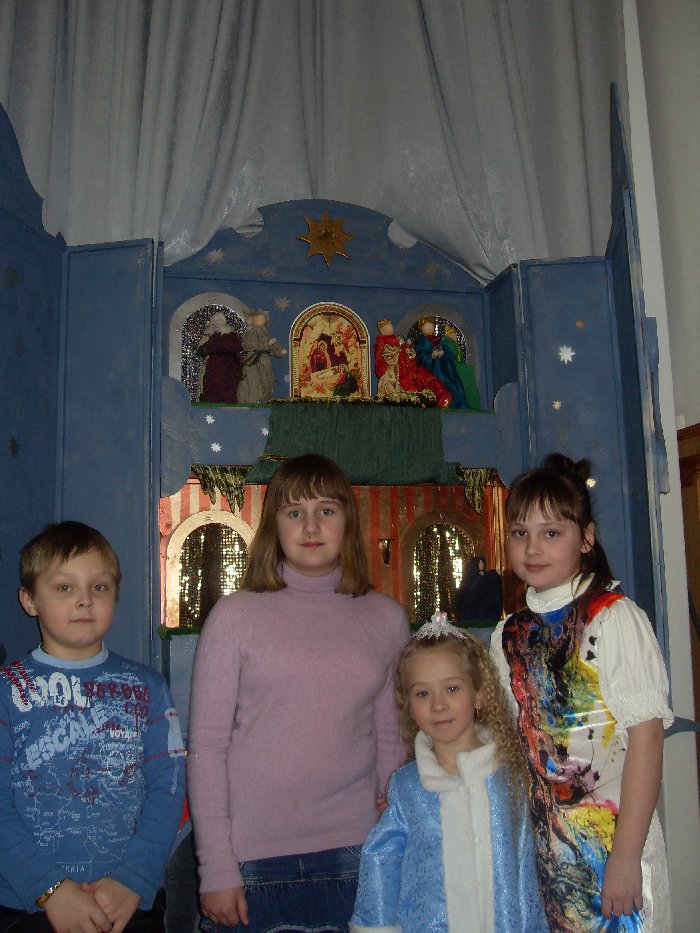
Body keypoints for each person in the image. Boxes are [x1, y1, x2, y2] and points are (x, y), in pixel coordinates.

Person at [187, 454, 409, 933]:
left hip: (357, 855)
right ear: (275, 526)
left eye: (326, 510)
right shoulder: (234, 616)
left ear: (348, 521)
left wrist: (392, 823)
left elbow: (391, 739)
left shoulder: (386, 619)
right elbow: (207, 749)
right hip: (250, 864)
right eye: (294, 512)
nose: (311, 526)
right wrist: (216, 868)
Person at [490, 453, 673, 931]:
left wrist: (626, 857)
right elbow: (507, 743)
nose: (533, 547)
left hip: (613, 847)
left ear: (586, 538)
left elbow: (647, 740)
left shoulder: (614, 618)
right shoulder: (508, 634)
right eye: (520, 532)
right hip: (544, 856)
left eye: (552, 533)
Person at [0, 521, 186, 933]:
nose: (84, 600)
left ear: (115, 594)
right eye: (64, 588)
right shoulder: (6, 690)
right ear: (29, 600)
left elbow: (169, 790)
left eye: (99, 587)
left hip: (127, 905)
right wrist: (48, 889)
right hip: (28, 907)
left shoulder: (149, 687)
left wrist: (133, 879)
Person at [350, 612, 547, 933]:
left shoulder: (509, 777)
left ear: (479, 693)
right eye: (422, 694)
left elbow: (524, 867)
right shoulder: (407, 787)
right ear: (409, 705)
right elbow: (381, 860)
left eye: (452, 689)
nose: (438, 705)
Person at [412, 316, 467, 409]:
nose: (429, 327)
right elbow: (419, 355)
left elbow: (449, 352)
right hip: (427, 370)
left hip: (443, 367)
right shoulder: (420, 342)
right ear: (422, 328)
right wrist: (431, 356)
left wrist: (443, 353)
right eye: (426, 325)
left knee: (450, 379)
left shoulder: (440, 339)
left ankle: (451, 399)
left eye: (431, 325)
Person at [237, 309, 287, 405]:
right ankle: (251, 401)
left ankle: (263, 400)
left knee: (266, 380)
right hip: (252, 360)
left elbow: (273, 345)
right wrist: (267, 344)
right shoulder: (249, 334)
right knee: (253, 380)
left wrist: (279, 350)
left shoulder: (265, 334)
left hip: (264, 360)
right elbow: (250, 345)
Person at [197, 310, 243, 403]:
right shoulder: (232, 337)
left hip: (216, 365)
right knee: (229, 387)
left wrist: (206, 348)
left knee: (215, 387)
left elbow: (206, 349)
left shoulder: (216, 337)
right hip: (231, 365)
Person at [454, 555, 503, 623]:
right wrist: (482, 577)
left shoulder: (484, 575)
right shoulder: (468, 578)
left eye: (483, 563)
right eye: (480, 563)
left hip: (485, 610)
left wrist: (493, 574)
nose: (482, 565)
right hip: (472, 611)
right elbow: (469, 592)